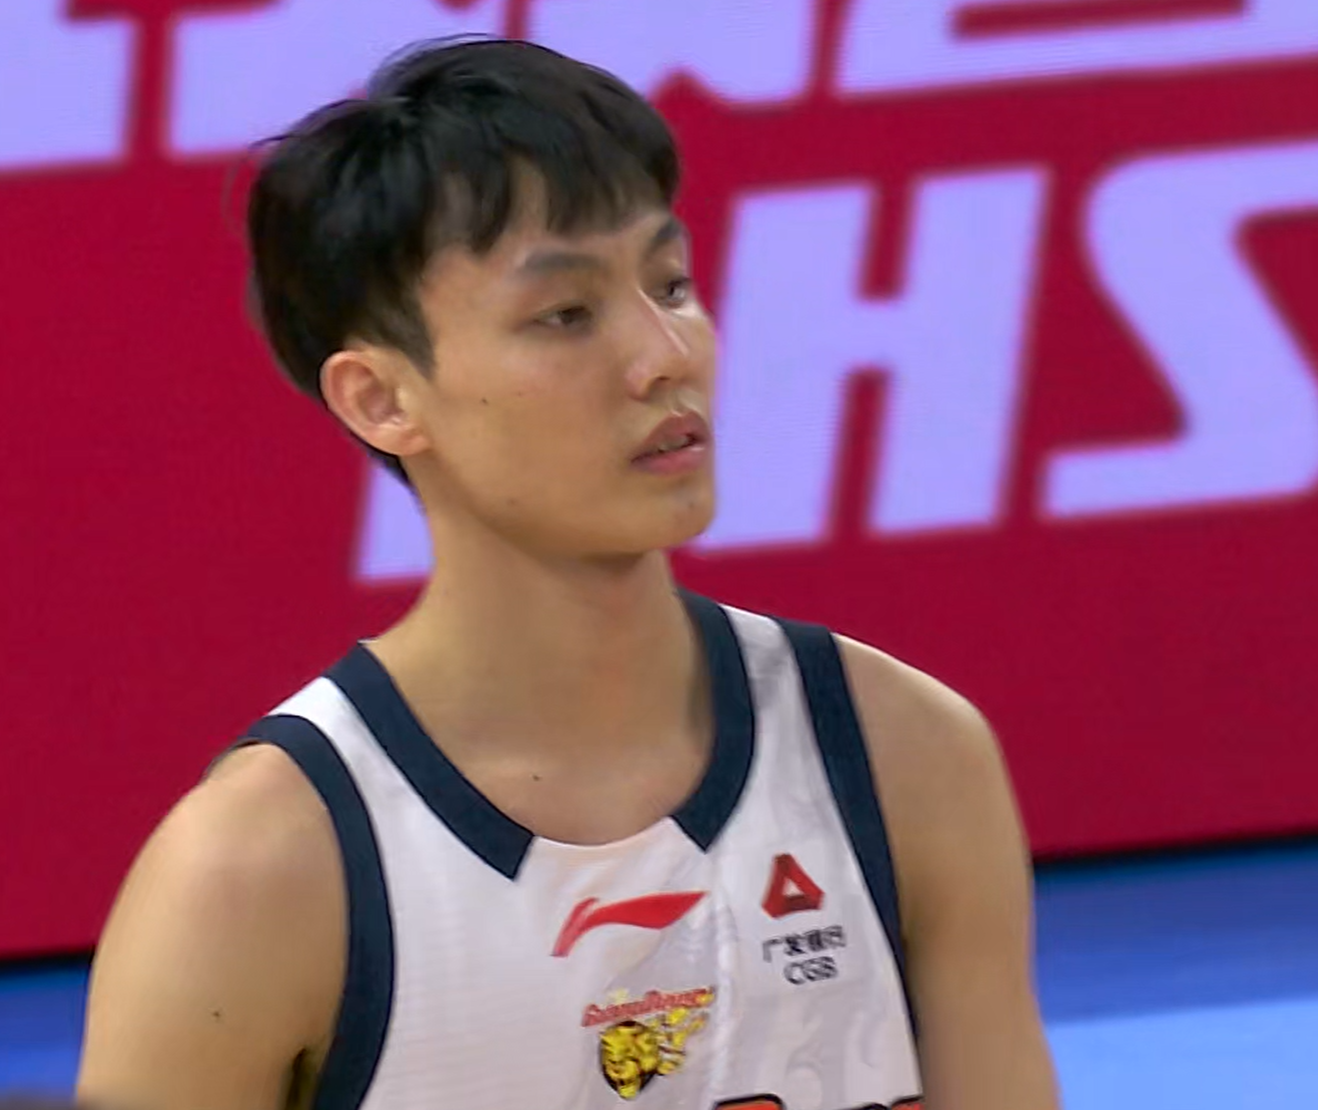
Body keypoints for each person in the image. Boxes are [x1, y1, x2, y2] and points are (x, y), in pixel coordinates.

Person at [76, 36, 1060, 1110]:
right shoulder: (256, 874)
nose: (665, 355)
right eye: (566, 315)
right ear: (381, 399)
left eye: (671, 284)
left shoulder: (903, 756)